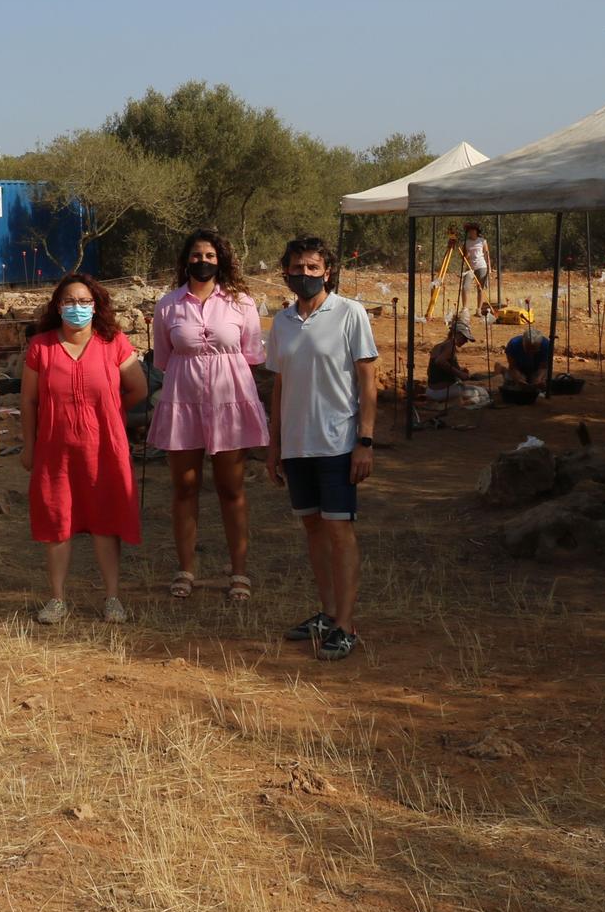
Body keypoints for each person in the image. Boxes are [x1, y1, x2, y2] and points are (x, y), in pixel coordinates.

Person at [265, 235, 378, 661]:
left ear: (327, 271)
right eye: (297, 267)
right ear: (287, 272)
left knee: (338, 529)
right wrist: (273, 447)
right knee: (312, 527)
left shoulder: (350, 313)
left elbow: (368, 380)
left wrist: (364, 441)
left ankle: (346, 624)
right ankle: (328, 613)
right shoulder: (283, 322)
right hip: (297, 444)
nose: (305, 274)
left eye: (313, 267)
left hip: (337, 441)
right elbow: (279, 387)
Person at [148, 230, 267, 605]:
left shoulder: (241, 303)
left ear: (222, 260)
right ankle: (186, 569)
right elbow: (164, 358)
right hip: (183, 401)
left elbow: (250, 355)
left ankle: (239, 572)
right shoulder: (167, 305)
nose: (204, 261)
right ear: (186, 260)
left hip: (230, 401)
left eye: (211, 255)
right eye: (197, 255)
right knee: (184, 488)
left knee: (231, 489)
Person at [21, 274, 146, 623]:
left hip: (104, 448)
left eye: (84, 301)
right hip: (54, 450)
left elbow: (138, 388)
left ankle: (112, 598)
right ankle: (57, 599)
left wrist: (112, 413)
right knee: (57, 520)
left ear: (96, 305)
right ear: (57, 306)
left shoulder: (113, 342)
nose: (77, 308)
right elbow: (29, 401)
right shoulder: (41, 347)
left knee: (106, 521)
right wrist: (28, 446)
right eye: (70, 301)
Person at [425, 314, 479, 400]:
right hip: (441, 392)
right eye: (464, 338)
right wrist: (460, 374)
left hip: (430, 391)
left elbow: (433, 370)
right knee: (478, 392)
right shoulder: (451, 345)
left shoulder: (438, 346)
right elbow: (440, 361)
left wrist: (459, 369)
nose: (465, 341)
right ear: (456, 334)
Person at [504, 326, 552, 391]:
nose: (531, 353)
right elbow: (513, 367)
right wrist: (518, 378)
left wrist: (538, 379)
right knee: (512, 385)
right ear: (523, 342)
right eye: (528, 349)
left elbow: (543, 367)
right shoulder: (513, 344)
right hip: (519, 369)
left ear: (539, 345)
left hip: (536, 369)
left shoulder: (546, 345)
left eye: (534, 349)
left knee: (542, 384)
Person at [461, 223, 492, 316]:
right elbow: (463, 257)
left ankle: (478, 310)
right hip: (469, 267)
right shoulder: (466, 242)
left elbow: (487, 254)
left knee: (480, 288)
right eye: (469, 231)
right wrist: (466, 256)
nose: (471, 232)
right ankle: (465, 309)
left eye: (472, 230)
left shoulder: (482, 241)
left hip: (481, 266)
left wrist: (489, 267)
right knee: (465, 287)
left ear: (476, 231)